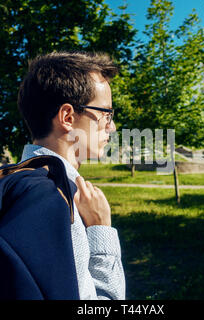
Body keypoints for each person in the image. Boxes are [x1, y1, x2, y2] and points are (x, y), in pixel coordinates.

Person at [17, 51, 125, 300]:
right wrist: (101, 229)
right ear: (67, 117)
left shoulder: (9, 182)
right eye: (105, 114)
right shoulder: (60, 202)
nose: (112, 127)